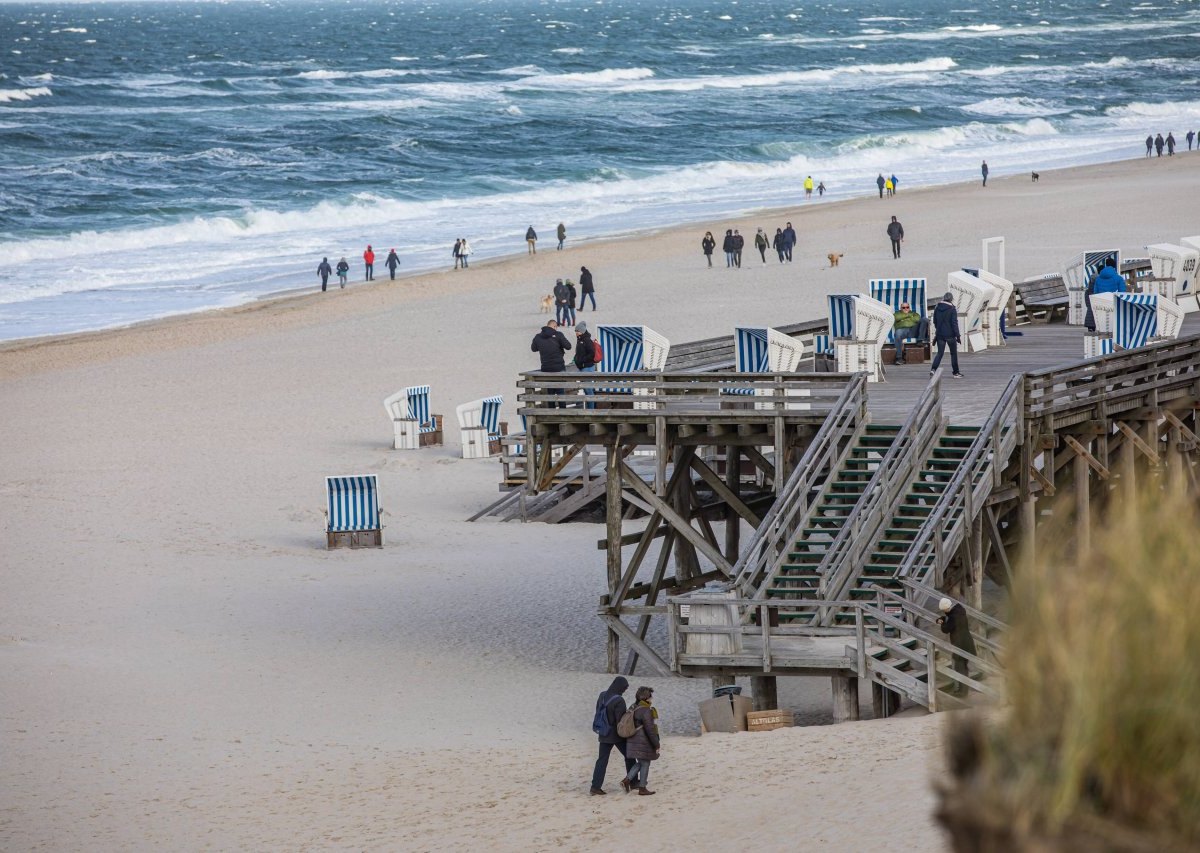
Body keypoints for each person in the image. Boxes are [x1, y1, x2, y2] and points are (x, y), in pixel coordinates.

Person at [589, 676, 633, 795]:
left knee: (602, 760)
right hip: (616, 735)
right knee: (630, 756)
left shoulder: (602, 695)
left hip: (603, 732)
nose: (624, 690)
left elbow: (598, 710)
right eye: (624, 688)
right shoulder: (619, 700)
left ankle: (595, 786)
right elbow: (621, 722)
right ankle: (633, 781)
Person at [621, 686, 660, 796]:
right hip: (642, 741)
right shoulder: (646, 710)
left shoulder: (633, 707)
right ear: (646, 698)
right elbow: (650, 730)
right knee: (645, 763)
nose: (652, 698)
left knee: (642, 762)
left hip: (633, 740)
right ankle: (642, 788)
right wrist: (656, 744)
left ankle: (627, 780)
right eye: (650, 696)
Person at [937, 597, 977, 697]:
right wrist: (943, 618)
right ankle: (963, 690)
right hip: (967, 642)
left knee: (960, 668)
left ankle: (962, 692)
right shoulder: (960, 611)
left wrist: (942, 623)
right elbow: (950, 619)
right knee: (964, 667)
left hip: (960, 644)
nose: (944, 612)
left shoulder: (953, 617)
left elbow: (946, 629)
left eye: (943, 610)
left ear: (946, 608)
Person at [531, 320, 572, 408]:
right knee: (560, 392)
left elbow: (533, 348)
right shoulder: (558, 335)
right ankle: (563, 413)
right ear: (554, 326)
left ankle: (551, 413)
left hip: (546, 368)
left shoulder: (538, 337)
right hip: (559, 367)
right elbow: (568, 346)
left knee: (550, 393)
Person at [1083, 256, 1127, 331]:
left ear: (1106, 265)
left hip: (1101, 306)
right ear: (1114, 267)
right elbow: (1122, 294)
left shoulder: (1098, 279)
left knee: (1103, 327)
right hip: (1113, 306)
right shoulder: (1119, 278)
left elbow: (1095, 293)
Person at [930, 292, 963, 378]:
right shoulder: (952, 309)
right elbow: (954, 323)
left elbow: (935, 321)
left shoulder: (937, 307)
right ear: (951, 299)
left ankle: (933, 369)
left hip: (940, 334)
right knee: (953, 353)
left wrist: (938, 330)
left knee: (940, 353)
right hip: (950, 335)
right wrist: (958, 336)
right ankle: (956, 373)